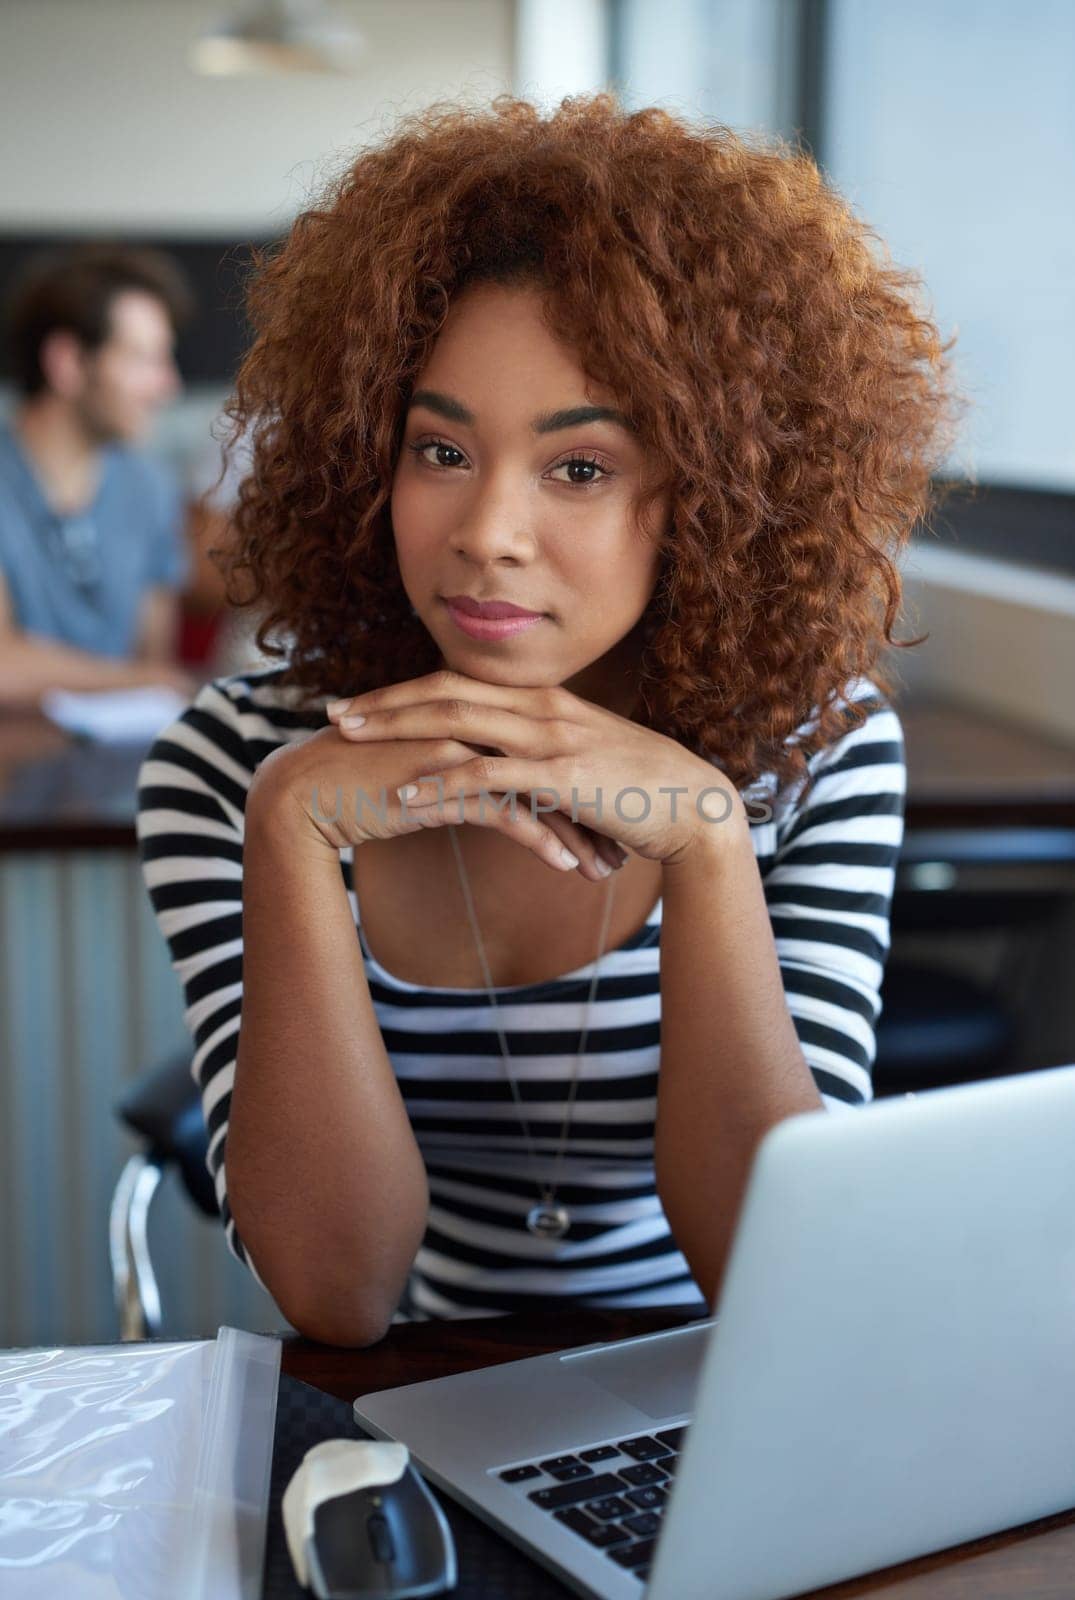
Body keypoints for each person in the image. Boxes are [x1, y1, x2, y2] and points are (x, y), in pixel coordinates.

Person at [135, 93, 962, 1347]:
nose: (485, 535)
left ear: (715, 497)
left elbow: (778, 1278)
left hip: (728, 1404)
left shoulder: (816, 747)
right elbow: (336, 1289)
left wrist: (708, 839)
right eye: (439, 451)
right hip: (413, 1406)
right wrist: (291, 835)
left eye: (579, 467)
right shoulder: (241, 764)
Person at [0, 242, 201, 708]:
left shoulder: (151, 488)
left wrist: (142, 680)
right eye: (143, 360)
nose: (168, 386)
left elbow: (154, 664)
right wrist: (133, 680)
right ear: (67, 362)